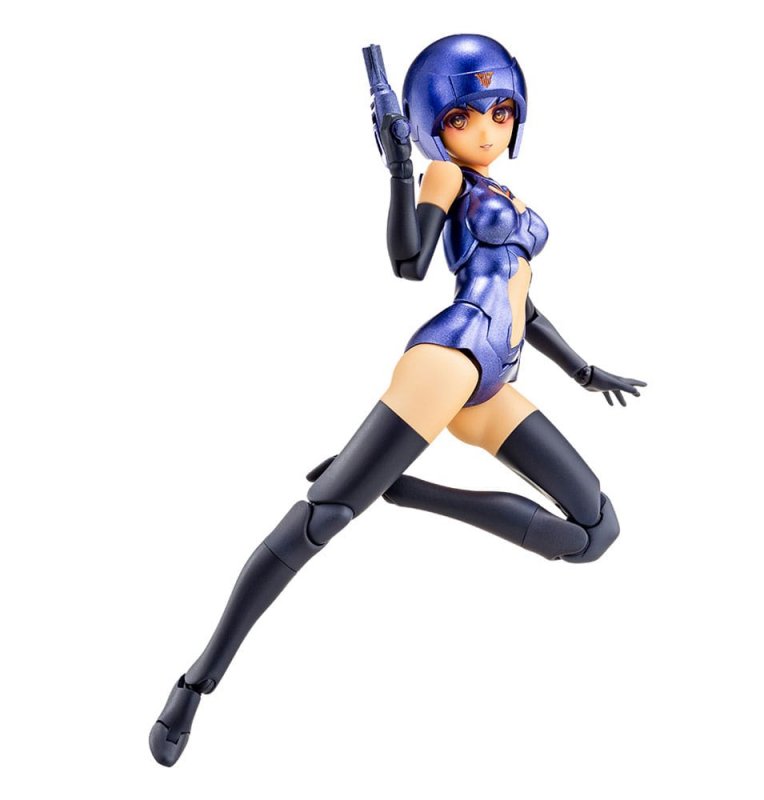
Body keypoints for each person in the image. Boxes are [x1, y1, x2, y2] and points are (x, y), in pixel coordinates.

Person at [149, 33, 645, 767]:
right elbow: (409, 263)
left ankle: (403, 489)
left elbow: (523, 301)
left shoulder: (507, 193)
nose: (486, 130)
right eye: (462, 117)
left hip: (495, 377)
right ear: (433, 124)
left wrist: (582, 369)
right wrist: (399, 167)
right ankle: (197, 682)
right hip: (450, 357)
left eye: (501, 112)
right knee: (322, 519)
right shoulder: (443, 173)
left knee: (595, 530)